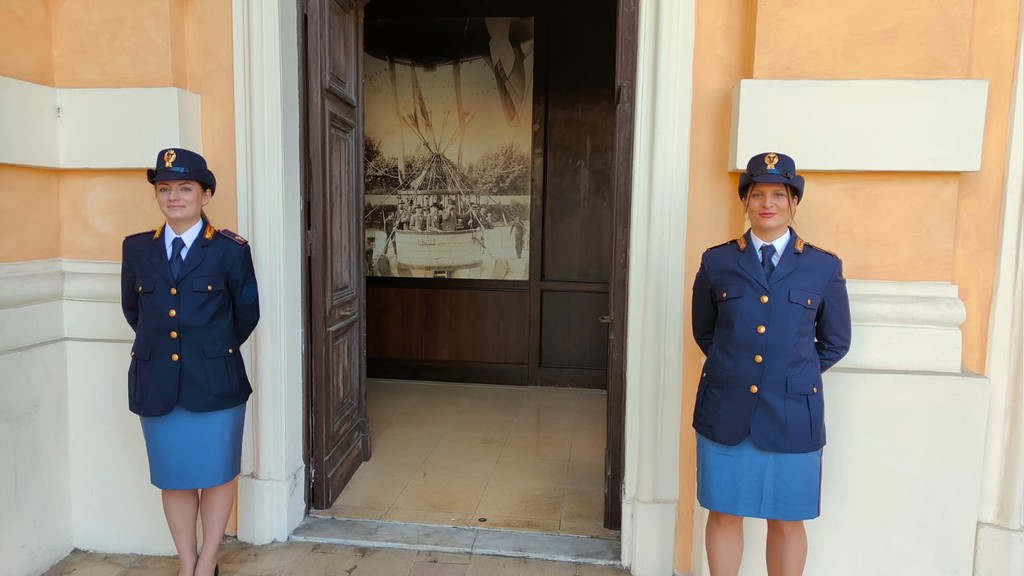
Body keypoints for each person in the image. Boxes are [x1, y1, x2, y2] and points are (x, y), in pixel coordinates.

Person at [691, 152, 851, 576]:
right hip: (727, 408)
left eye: (779, 195)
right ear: (745, 201)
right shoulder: (717, 262)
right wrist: (739, 369)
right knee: (724, 512)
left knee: (787, 518)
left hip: (792, 412)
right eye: (758, 194)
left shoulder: (822, 267)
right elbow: (705, 332)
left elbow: (836, 342)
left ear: (793, 202)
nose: (768, 204)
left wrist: (789, 374)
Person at [121, 148, 260, 576]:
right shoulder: (137, 248)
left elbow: (246, 313)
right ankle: (187, 564)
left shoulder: (230, 250)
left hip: (216, 382)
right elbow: (133, 311)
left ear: (206, 195)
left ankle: (207, 562)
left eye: (185, 188)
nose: (174, 197)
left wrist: (210, 351)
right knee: (174, 476)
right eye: (164, 189)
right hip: (158, 384)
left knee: (217, 474)